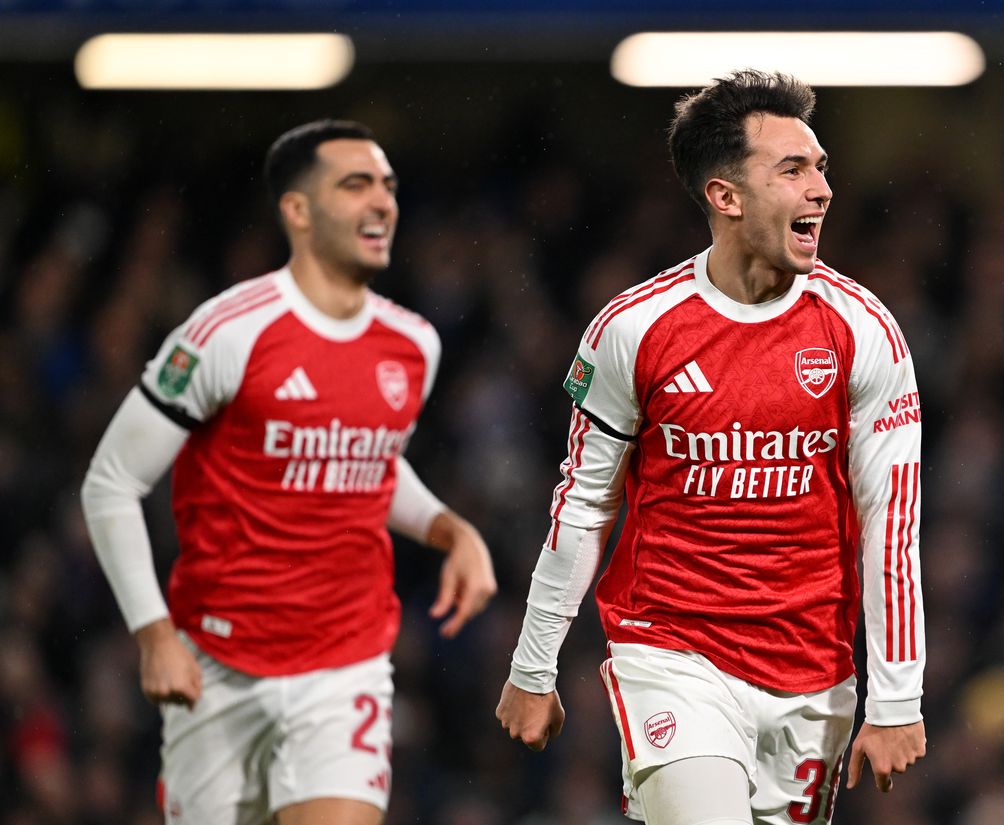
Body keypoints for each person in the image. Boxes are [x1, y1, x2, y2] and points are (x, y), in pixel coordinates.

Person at [496, 70, 926, 825]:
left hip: (812, 669)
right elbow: (584, 502)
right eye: (792, 170)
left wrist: (897, 698)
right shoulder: (635, 330)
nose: (822, 189)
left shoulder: (864, 331)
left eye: (821, 166)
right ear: (725, 196)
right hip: (673, 655)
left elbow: (890, 521)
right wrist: (534, 663)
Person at [81, 119, 497, 825]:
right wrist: (153, 634)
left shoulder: (412, 344)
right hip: (216, 662)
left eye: (389, 187)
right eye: (355, 184)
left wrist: (450, 529)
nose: (382, 203)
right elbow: (111, 482)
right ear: (297, 211)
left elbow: (367, 462)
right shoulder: (227, 333)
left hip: (345, 664)